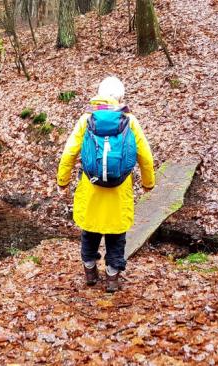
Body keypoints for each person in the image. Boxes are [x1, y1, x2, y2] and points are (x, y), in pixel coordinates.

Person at [56, 76, 155, 292]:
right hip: (119, 193)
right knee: (116, 236)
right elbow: (145, 156)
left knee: (89, 233)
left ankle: (90, 271)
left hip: (91, 191)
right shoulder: (130, 121)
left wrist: (62, 181)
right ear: (121, 97)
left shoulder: (86, 121)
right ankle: (112, 277)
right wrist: (149, 183)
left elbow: (70, 152)